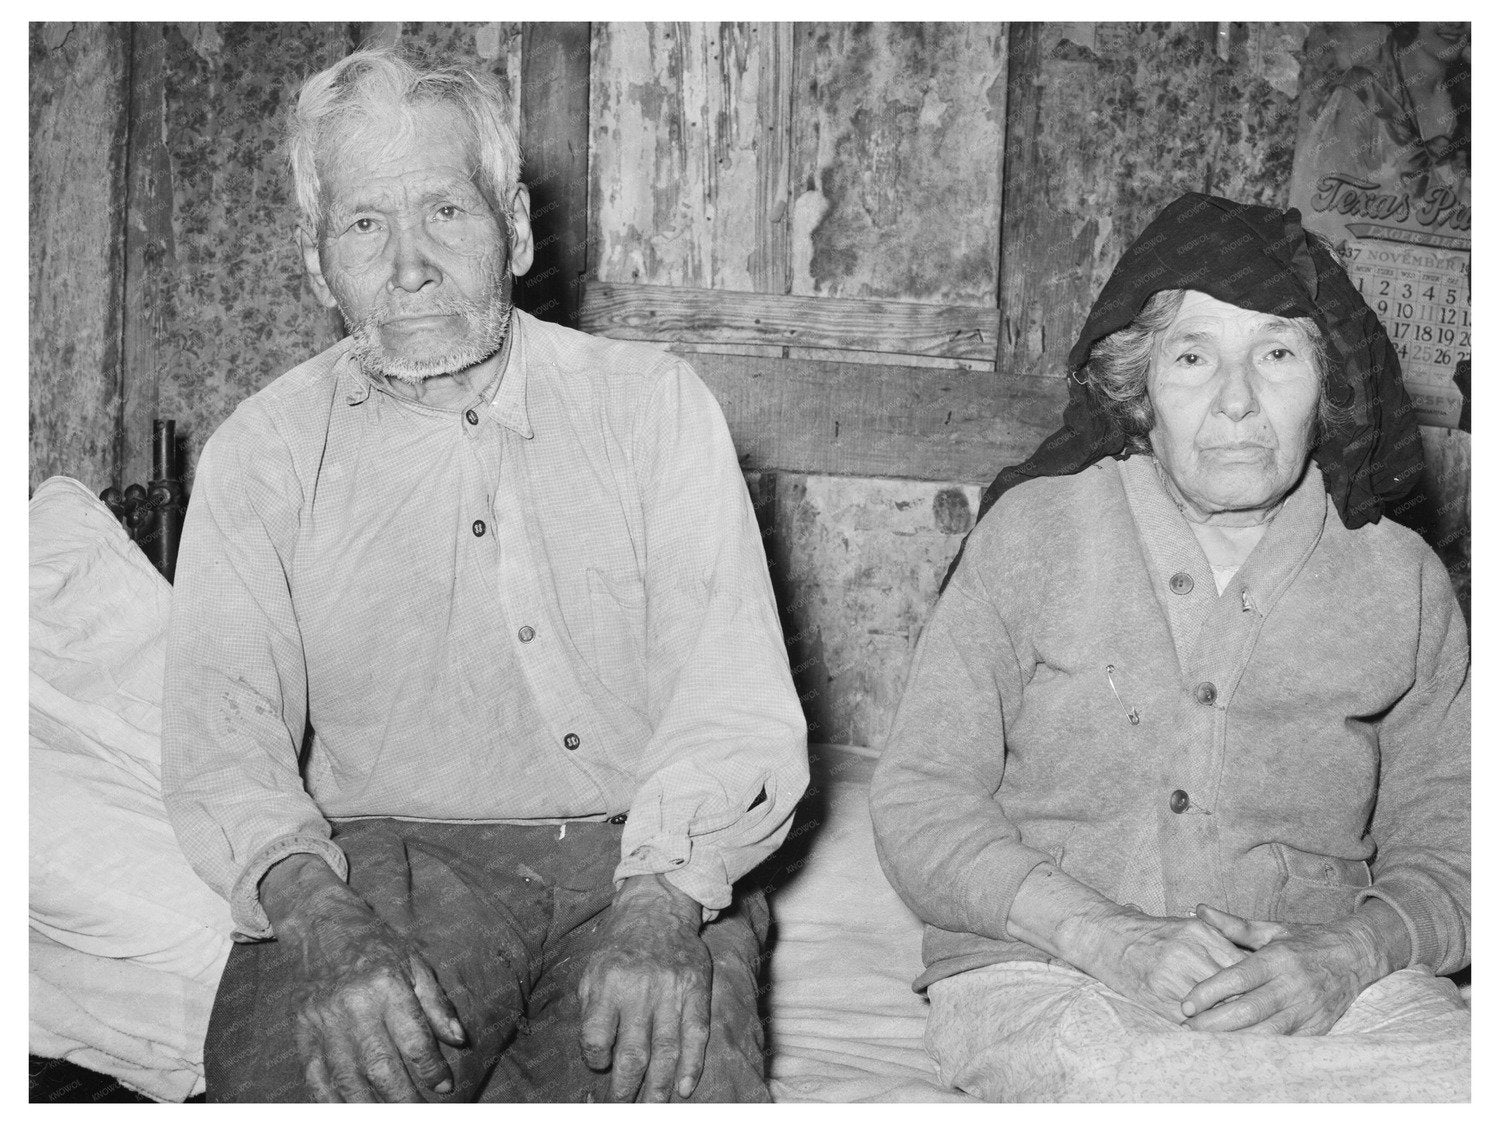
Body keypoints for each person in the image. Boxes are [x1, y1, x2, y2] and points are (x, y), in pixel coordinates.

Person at [161, 46, 807, 1103]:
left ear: (514, 226)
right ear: (317, 261)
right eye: (364, 224)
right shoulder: (264, 452)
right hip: (387, 870)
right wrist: (321, 918)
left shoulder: (653, 408)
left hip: (640, 859)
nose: (409, 266)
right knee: (293, 1084)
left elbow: (729, 705)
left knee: (679, 1082)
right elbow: (222, 745)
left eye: (446, 213)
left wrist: (661, 906)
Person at [869, 192, 1469, 1102]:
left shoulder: (1403, 577)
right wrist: (1106, 935)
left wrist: (1354, 951)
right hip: (1054, 969)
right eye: (1193, 357)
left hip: (1324, 987)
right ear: (1138, 387)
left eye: (1276, 353)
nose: (1236, 399)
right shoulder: (1036, 531)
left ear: (1331, 381)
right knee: (1141, 1088)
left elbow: (1463, 837)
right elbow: (920, 799)